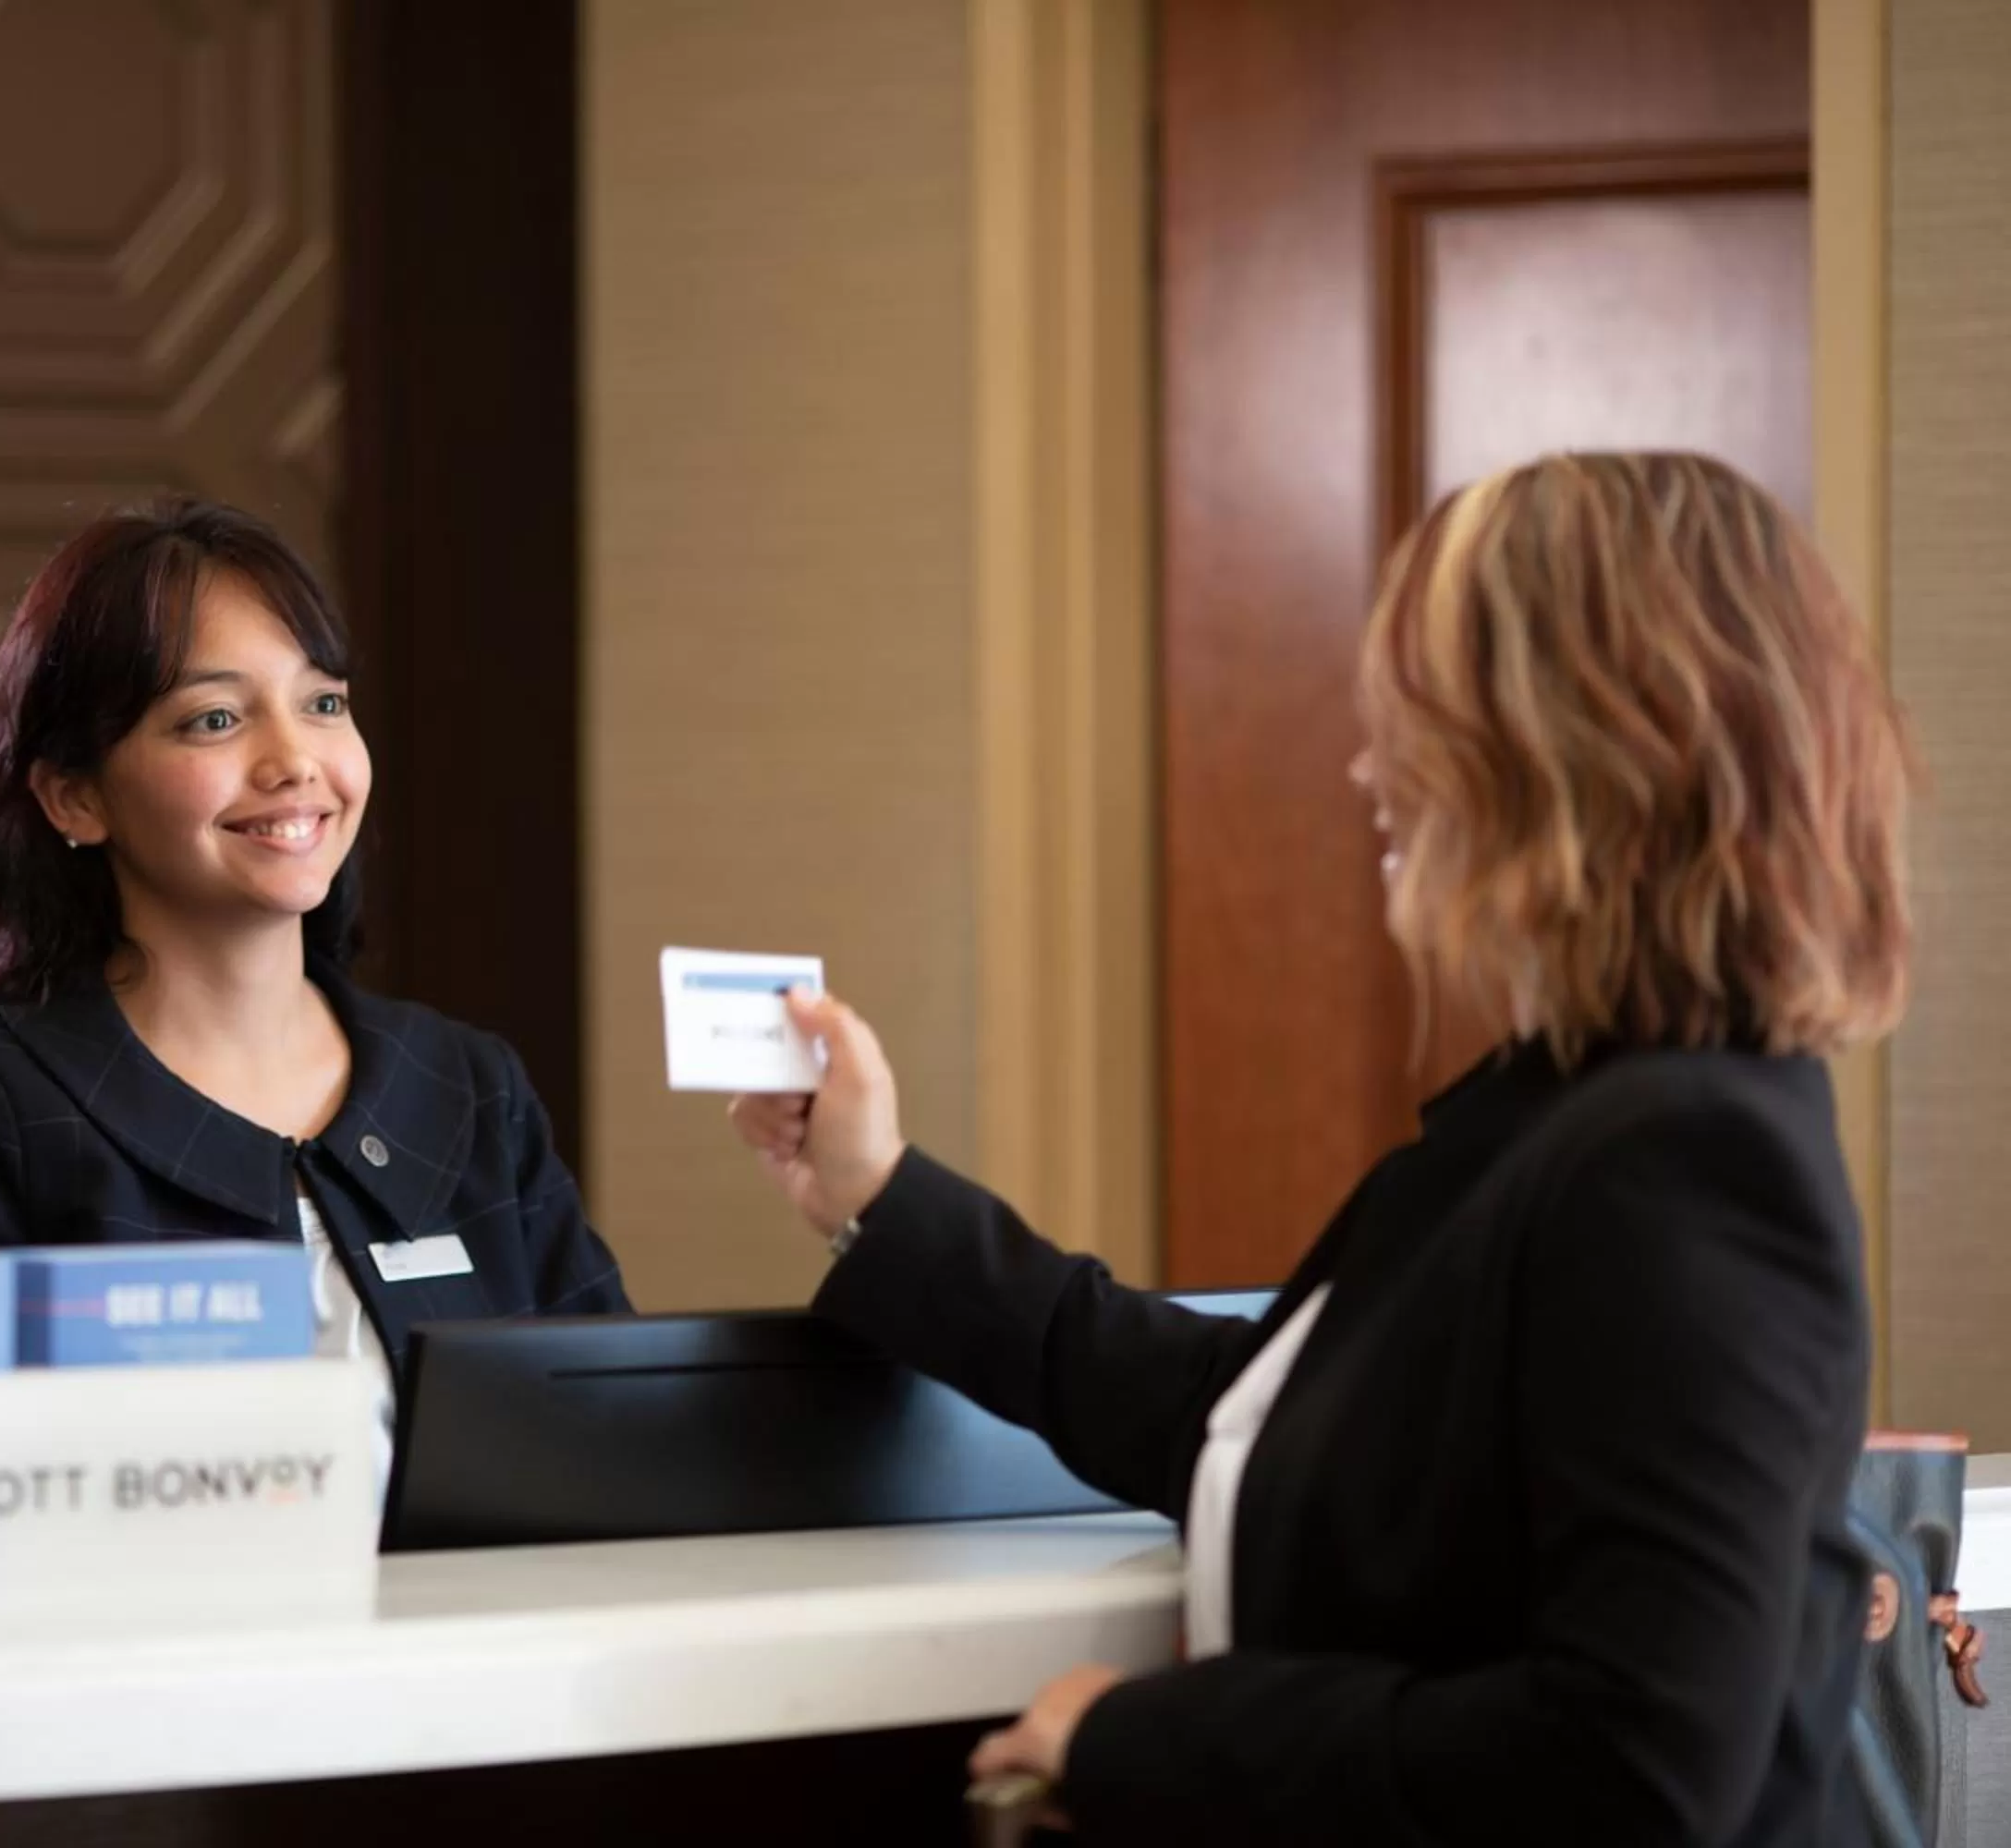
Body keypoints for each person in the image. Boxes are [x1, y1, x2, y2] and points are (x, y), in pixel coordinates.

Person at [733, 452, 1907, 1845]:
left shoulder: (1683, 1163)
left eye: (1417, 711)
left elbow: (1628, 1768)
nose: (1368, 767)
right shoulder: (1571, 1120)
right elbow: (1249, 1421)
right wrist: (877, 1194)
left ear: (1574, 745)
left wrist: (1142, 1738)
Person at [0, 495, 630, 1463]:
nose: (295, 761)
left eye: (323, 703)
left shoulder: (469, 1088)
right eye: (215, 719)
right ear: (74, 797)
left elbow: (616, 1457)